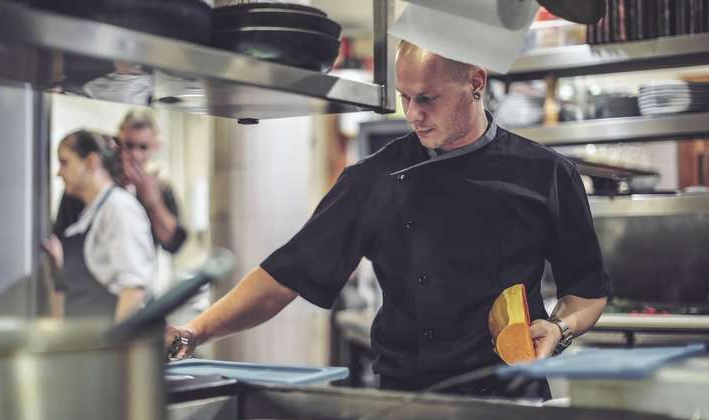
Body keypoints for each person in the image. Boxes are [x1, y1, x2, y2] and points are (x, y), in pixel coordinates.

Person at [166, 41, 610, 398]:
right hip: (412, 402)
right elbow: (285, 275)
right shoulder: (374, 179)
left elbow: (587, 293)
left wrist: (557, 327)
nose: (412, 113)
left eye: (427, 98)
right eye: (404, 97)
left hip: (516, 396)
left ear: (476, 82)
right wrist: (195, 331)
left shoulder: (547, 172)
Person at [43, 130, 156, 322]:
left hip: (108, 348)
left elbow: (134, 290)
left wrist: (117, 349)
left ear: (91, 162)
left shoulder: (119, 208)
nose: (59, 173)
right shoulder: (90, 215)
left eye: (64, 162)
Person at [53, 109, 187, 254]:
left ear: (154, 147)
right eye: (129, 145)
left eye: (143, 147)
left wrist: (154, 203)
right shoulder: (90, 187)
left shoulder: (161, 189)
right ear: (118, 142)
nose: (135, 155)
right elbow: (62, 237)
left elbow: (174, 244)